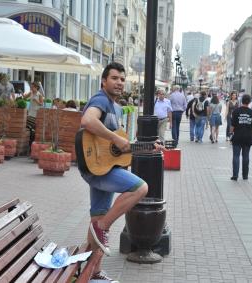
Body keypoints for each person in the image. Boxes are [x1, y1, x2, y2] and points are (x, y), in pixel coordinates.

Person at [79, 62, 149, 282]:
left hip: (103, 165)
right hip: (96, 169)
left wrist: (145, 146)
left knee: (96, 217)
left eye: (122, 79)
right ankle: (104, 227)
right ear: (104, 81)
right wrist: (115, 138)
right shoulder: (100, 100)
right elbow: (87, 120)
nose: (119, 82)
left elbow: (119, 145)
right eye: (114, 78)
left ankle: (91, 273)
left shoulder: (116, 107)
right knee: (140, 187)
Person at [230, 94, 252, 181]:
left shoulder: (236, 111)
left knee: (236, 156)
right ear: (249, 102)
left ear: (242, 101)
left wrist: (231, 134)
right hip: (248, 137)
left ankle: (235, 175)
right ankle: (245, 175)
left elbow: (232, 125)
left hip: (237, 136)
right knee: (246, 156)